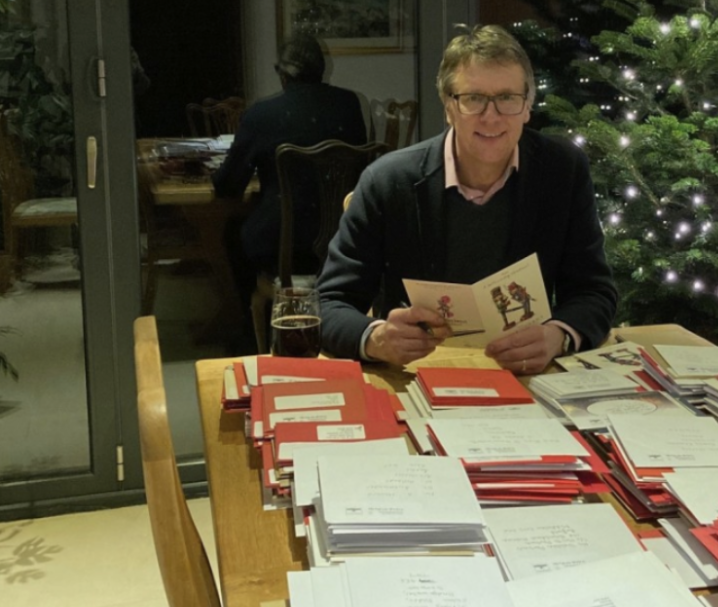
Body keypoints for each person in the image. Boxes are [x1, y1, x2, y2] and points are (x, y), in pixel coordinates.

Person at [316, 24, 618, 374]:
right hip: (416, 379)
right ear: (448, 106)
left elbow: (594, 290)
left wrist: (559, 335)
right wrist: (376, 338)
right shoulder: (388, 180)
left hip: (526, 379)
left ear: (527, 107)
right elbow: (328, 304)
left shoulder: (562, 169)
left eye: (507, 98)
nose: (491, 117)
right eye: (473, 98)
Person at [212, 34, 367, 315]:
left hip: (281, 247)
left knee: (232, 233)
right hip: (342, 239)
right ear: (321, 70)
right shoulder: (350, 105)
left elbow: (228, 187)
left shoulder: (261, 114)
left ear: (282, 74)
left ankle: (247, 329)